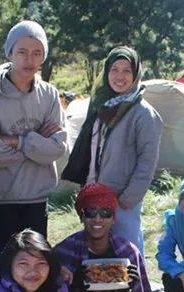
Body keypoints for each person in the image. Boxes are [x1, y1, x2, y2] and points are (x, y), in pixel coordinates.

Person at [0, 20, 67, 247]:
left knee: (35, 267)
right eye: (22, 52)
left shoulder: (49, 95)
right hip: (0, 199)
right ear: (10, 53)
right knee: (4, 270)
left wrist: (17, 141)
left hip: (38, 198)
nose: (29, 59)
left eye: (37, 53)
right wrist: (35, 144)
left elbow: (58, 149)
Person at [62, 46, 162, 252]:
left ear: (135, 75)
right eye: (114, 69)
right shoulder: (102, 105)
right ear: (106, 72)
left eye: (127, 71)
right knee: (97, 250)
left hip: (121, 199)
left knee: (127, 251)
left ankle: (135, 285)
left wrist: (127, 200)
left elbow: (147, 161)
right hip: (95, 194)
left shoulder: (143, 114)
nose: (120, 76)